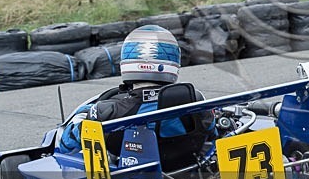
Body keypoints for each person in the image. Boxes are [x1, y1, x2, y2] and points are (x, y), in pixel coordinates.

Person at [57, 24, 215, 160]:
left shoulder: (105, 112)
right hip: (189, 172)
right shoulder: (195, 101)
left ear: (127, 62)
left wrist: (84, 115)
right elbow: (211, 133)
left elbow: (64, 144)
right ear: (173, 63)